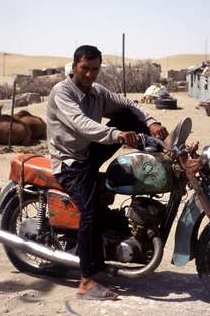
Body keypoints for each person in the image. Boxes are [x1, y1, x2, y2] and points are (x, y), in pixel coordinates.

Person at [47, 45, 168, 300]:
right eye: (85, 69)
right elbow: (81, 124)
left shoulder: (97, 92)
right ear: (74, 67)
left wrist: (151, 122)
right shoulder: (62, 92)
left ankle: (155, 151)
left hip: (89, 153)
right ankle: (87, 281)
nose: (90, 74)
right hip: (70, 162)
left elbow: (126, 104)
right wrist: (116, 135)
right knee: (90, 211)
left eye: (95, 69)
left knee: (127, 115)